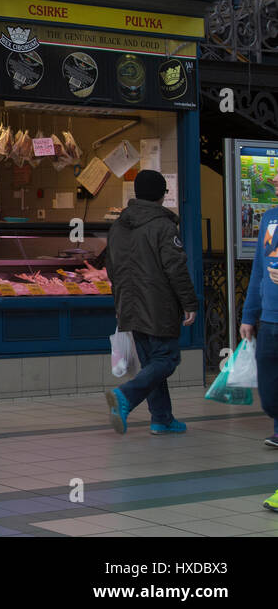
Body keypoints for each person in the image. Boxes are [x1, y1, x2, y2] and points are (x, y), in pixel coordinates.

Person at [103, 169, 198, 435]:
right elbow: (176, 269)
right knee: (167, 360)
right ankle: (124, 396)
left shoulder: (119, 226)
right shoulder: (163, 226)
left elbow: (111, 268)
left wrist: (120, 300)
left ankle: (162, 418)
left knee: (152, 364)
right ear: (161, 196)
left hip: (128, 304)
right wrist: (190, 303)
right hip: (158, 306)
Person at [240, 202, 278, 511]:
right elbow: (258, 270)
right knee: (270, 398)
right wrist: (249, 315)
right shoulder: (269, 217)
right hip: (269, 321)